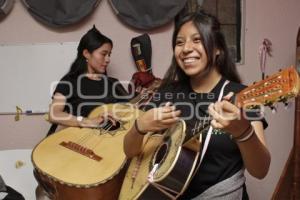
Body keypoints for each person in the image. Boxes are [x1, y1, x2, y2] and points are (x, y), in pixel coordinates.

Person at [124, 10, 271, 199]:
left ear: (218, 48)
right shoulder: (167, 92)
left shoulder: (243, 96)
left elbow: (261, 171)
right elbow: (129, 150)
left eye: (197, 39)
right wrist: (139, 126)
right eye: (179, 42)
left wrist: (244, 132)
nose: (186, 48)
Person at [47, 25, 129, 135]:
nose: (108, 59)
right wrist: (88, 121)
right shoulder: (70, 81)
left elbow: (131, 111)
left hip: (109, 143)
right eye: (104, 54)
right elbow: (54, 114)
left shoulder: (113, 83)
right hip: (80, 143)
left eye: (109, 54)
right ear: (86, 54)